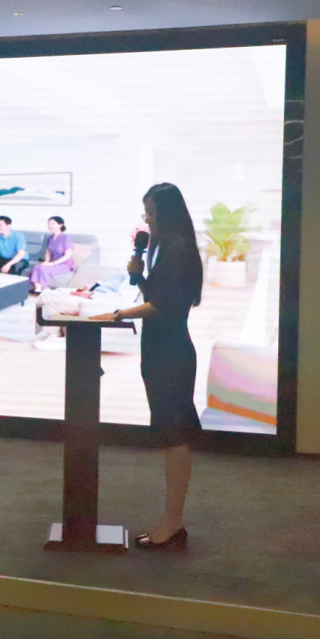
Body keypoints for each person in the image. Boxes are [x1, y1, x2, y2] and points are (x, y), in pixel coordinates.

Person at [91, 183, 203, 549]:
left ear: (167, 213)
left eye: (151, 213)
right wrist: (138, 274)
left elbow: (164, 306)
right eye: (146, 213)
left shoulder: (179, 249)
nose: (147, 220)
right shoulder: (164, 248)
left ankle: (173, 523)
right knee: (171, 436)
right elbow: (157, 294)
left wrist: (118, 313)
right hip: (158, 350)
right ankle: (172, 521)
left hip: (171, 352)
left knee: (175, 437)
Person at [28, 216, 77, 293]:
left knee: (43, 269)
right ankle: (37, 289)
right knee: (37, 267)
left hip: (65, 264)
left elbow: (67, 256)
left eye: (52, 224)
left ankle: (44, 289)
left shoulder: (66, 237)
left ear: (60, 225)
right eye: (49, 224)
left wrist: (52, 264)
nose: (50, 226)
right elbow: (48, 252)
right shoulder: (50, 238)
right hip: (52, 262)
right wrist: (46, 262)